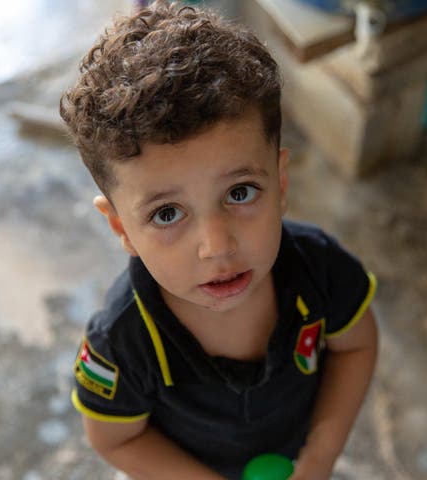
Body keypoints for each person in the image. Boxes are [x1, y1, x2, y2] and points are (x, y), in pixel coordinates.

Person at [59, 1, 378, 479]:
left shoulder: (321, 268)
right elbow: (115, 438)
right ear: (122, 229)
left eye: (240, 192)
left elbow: (356, 346)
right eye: (167, 213)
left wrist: (320, 456)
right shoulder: (123, 341)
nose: (217, 246)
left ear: (281, 183)